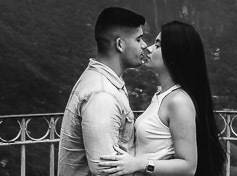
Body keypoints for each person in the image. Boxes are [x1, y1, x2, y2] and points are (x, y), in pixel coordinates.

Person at [97, 21, 226, 176]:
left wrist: (139, 164)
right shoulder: (162, 96)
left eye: (158, 45)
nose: (149, 48)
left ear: (174, 54)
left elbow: (188, 166)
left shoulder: (178, 102)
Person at [57, 7, 150, 176]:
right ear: (120, 44)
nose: (144, 45)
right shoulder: (102, 95)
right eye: (138, 39)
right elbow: (106, 171)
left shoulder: (103, 81)